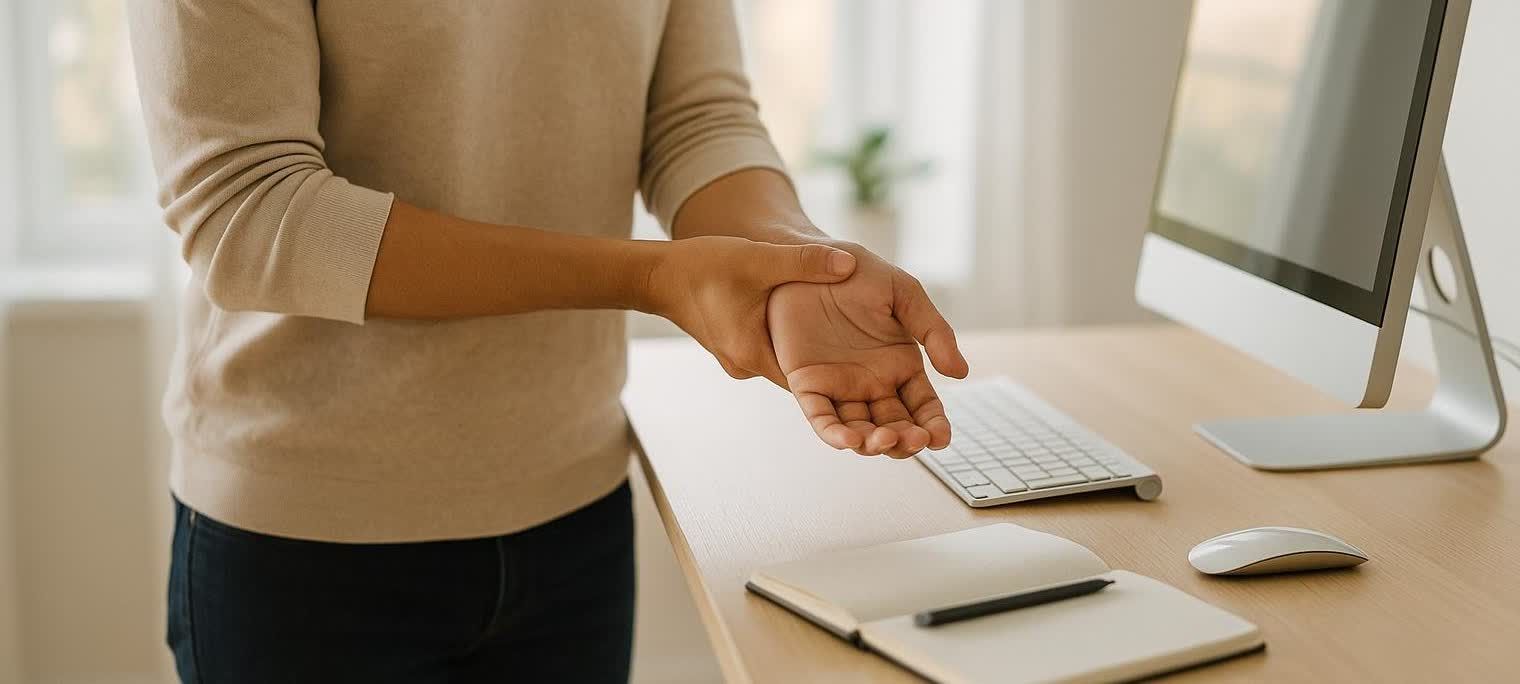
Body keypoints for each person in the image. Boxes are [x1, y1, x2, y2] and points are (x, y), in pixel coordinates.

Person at [127, 1, 967, 682]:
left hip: (571, 517)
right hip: (306, 546)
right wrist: (649, 278)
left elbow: (696, 116)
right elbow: (249, 209)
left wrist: (794, 264)